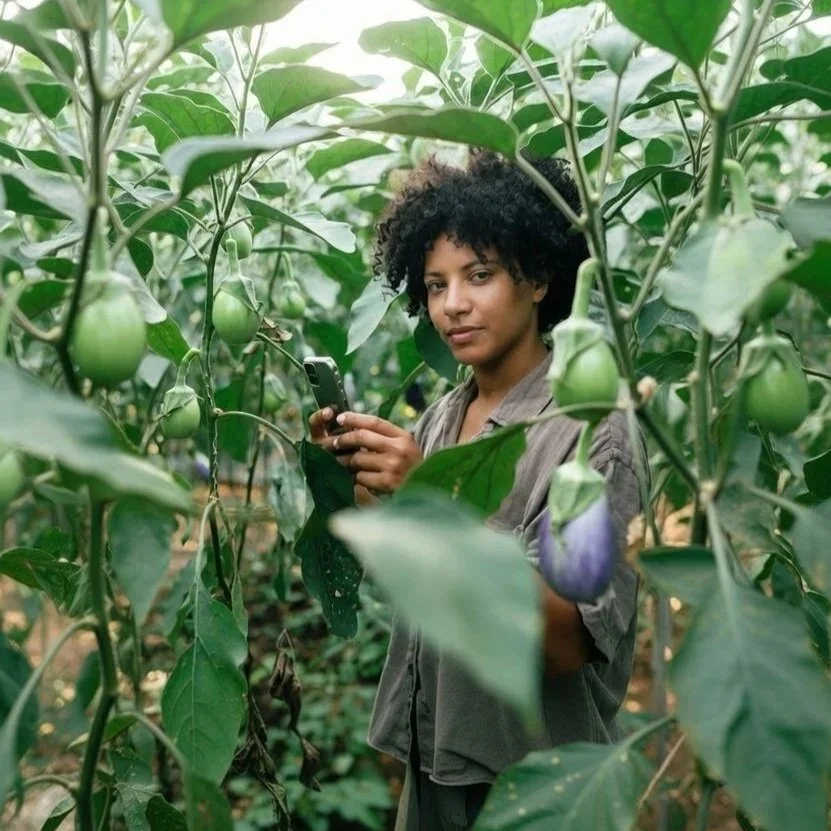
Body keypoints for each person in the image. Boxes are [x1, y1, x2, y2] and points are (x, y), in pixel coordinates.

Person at [308, 148, 641, 831]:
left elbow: (566, 640)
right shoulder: (442, 417)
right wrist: (366, 484)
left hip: (536, 788)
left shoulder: (590, 433)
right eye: (434, 285)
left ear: (540, 276)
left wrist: (434, 508)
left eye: (479, 275)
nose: (453, 304)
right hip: (436, 767)